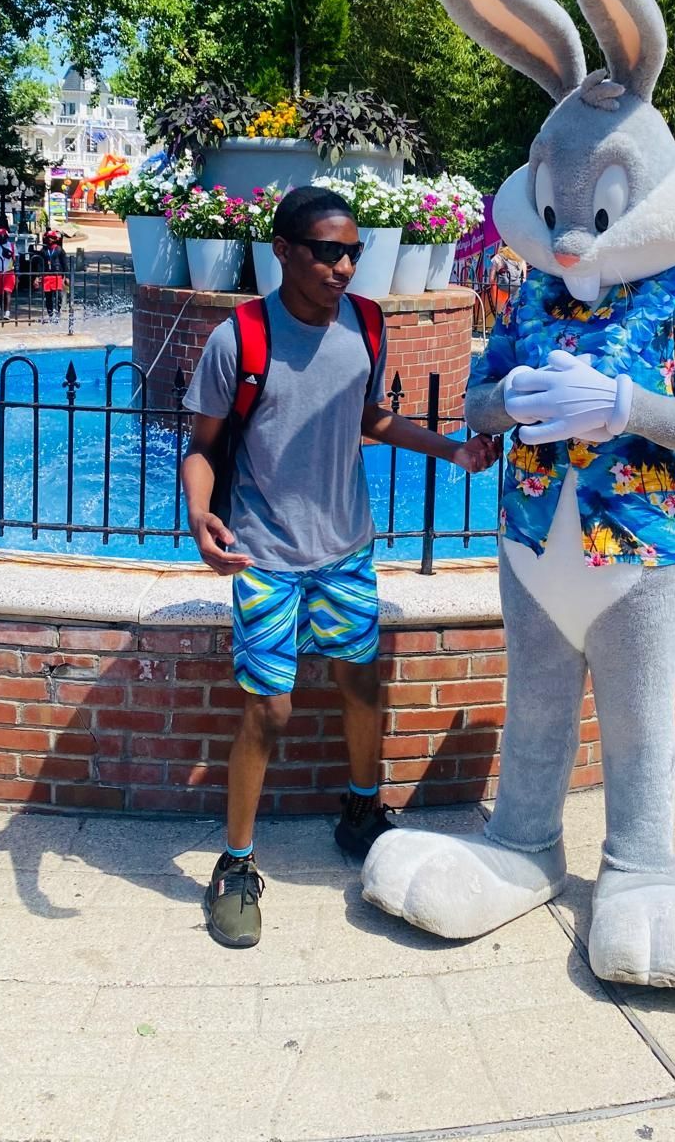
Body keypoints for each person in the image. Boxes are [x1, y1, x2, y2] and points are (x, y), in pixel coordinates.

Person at [181, 185, 500, 949]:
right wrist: (199, 519)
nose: (344, 264)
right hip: (266, 553)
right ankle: (235, 864)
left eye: (352, 250)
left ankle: (360, 810)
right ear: (284, 251)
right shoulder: (242, 338)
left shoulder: (365, 320)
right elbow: (200, 445)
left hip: (347, 550)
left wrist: (449, 446)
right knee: (270, 709)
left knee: (360, 681)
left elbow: (367, 418)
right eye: (327, 250)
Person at [488, 243, 527, 320]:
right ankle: (511, 317)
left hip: (501, 288)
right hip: (516, 287)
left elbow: (491, 279)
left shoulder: (498, 257)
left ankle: (501, 317)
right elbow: (524, 278)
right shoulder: (521, 257)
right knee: (514, 305)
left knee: (500, 309)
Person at [38, 227, 68, 319]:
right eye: (48, 237)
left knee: (58, 296)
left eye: (51, 237)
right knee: (48, 297)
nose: (49, 239)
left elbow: (64, 263)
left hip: (57, 275)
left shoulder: (59, 250)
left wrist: (66, 276)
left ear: (55, 239)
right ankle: (50, 314)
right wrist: (38, 276)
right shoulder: (43, 251)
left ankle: (57, 312)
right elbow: (40, 264)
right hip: (46, 275)